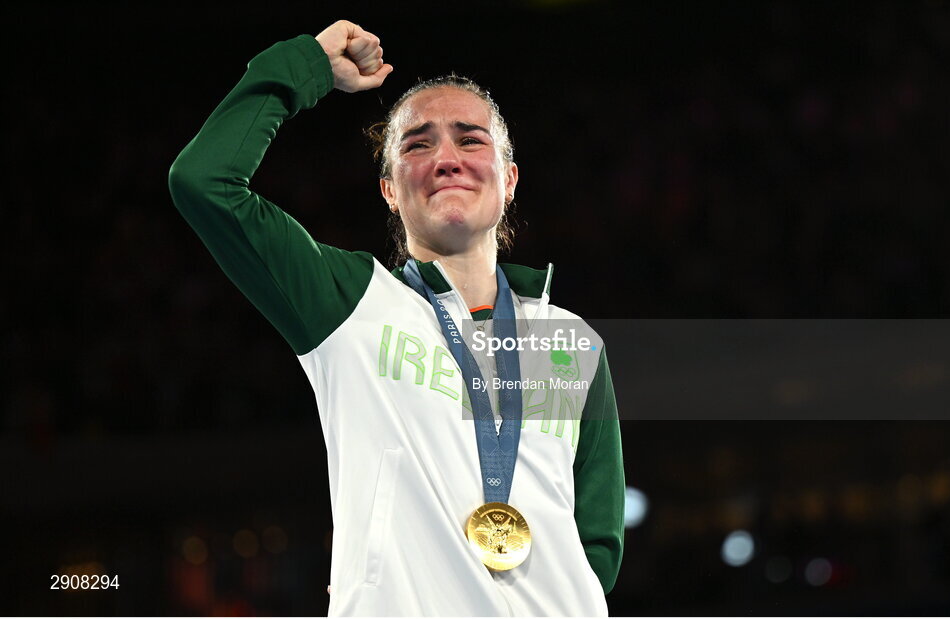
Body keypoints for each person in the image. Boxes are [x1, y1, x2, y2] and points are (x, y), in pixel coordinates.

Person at [168, 19, 624, 616]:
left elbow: (597, 548)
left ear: (509, 179)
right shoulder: (349, 304)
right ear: (389, 188)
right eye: (417, 144)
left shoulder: (571, 344)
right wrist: (305, 67)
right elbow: (204, 182)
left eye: (471, 139)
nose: (446, 159)